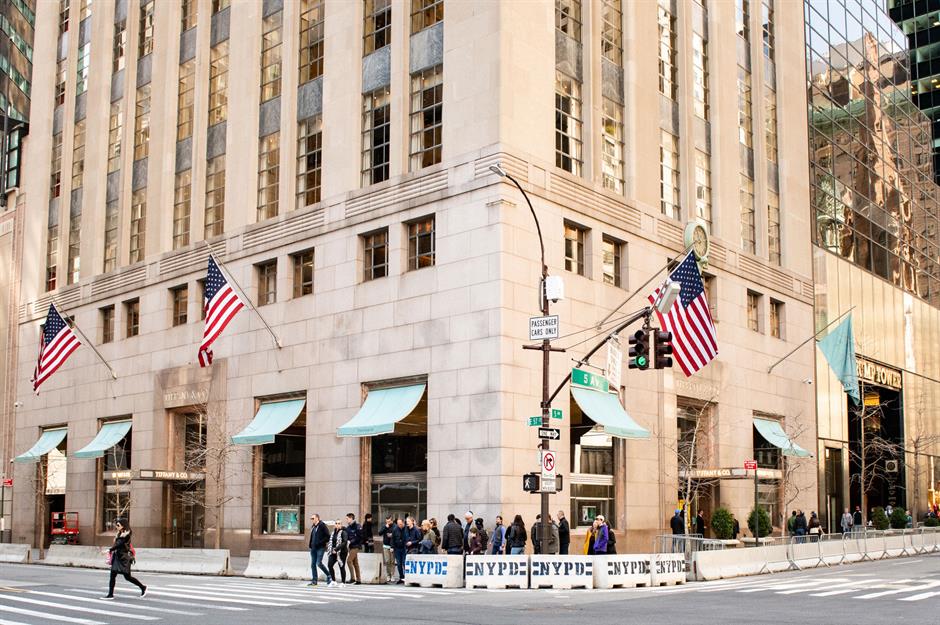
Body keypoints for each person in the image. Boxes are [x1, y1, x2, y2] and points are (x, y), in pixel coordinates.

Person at [101, 518, 146, 600]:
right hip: (117, 557)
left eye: (118, 525)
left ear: (123, 526)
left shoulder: (126, 535)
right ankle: (110, 594)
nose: (116, 527)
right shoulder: (119, 534)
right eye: (116, 525)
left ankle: (143, 587)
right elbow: (117, 544)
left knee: (128, 577)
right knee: (112, 575)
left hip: (124, 558)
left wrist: (109, 550)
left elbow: (119, 544)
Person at [308, 513, 331, 586]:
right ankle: (314, 581)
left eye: (313, 518)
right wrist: (310, 544)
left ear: (317, 518)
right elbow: (312, 536)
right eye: (311, 518)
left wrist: (320, 543)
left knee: (319, 563)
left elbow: (328, 537)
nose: (312, 520)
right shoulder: (313, 526)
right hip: (313, 548)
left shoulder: (322, 525)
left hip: (320, 548)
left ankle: (329, 575)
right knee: (313, 564)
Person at [326, 519, 348, 587]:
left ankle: (343, 583)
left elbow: (344, 542)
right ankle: (333, 581)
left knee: (341, 566)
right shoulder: (333, 533)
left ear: (341, 525)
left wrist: (336, 549)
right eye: (336, 523)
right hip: (333, 552)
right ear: (335, 525)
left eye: (339, 523)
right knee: (329, 565)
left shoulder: (343, 532)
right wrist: (331, 549)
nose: (337, 524)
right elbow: (331, 542)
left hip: (342, 552)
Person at [345, 513, 362, 585]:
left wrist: (351, 541)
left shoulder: (358, 526)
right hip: (350, 547)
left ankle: (352, 578)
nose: (346, 520)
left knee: (349, 561)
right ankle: (359, 580)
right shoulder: (348, 528)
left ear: (351, 518)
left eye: (347, 518)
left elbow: (359, 537)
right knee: (355, 563)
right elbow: (347, 537)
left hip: (356, 546)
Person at [381, 515, 396, 583]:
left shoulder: (395, 526)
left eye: (389, 521)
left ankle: (392, 575)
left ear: (392, 520)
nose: (388, 522)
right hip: (385, 546)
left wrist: (391, 535)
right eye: (387, 521)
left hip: (392, 546)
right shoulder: (385, 526)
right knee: (387, 561)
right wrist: (385, 528)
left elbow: (396, 535)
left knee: (392, 561)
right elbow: (380, 533)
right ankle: (388, 575)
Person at [392, 517, 407, 584]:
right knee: (398, 564)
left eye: (400, 524)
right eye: (398, 524)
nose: (399, 525)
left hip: (404, 548)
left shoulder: (406, 529)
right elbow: (392, 539)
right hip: (397, 549)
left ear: (403, 523)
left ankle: (406, 577)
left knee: (404, 563)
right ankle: (401, 577)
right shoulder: (395, 529)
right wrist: (392, 547)